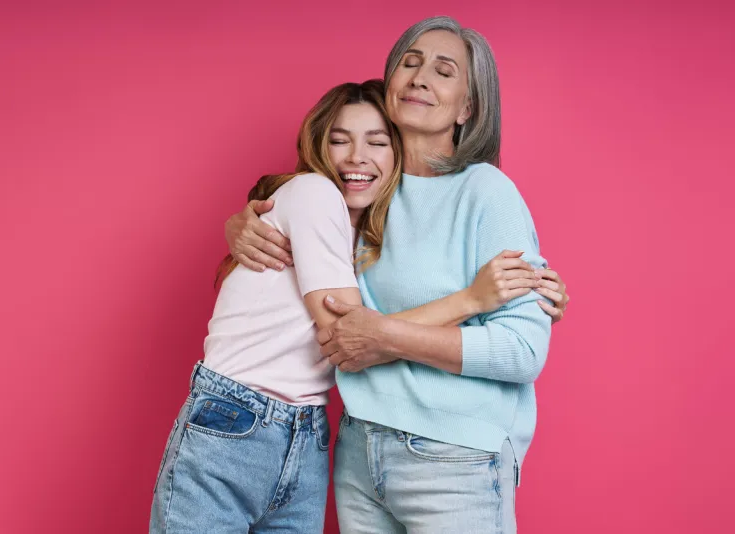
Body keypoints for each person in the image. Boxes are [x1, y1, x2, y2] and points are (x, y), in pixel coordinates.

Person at [150, 79, 546, 534]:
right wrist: (472, 300)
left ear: (399, 155)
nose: (356, 156)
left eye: (377, 142)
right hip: (234, 420)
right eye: (339, 140)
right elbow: (350, 335)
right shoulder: (315, 194)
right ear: (319, 145)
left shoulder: (368, 238)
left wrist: (535, 283)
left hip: (307, 433)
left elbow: (379, 325)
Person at [223, 16, 569, 533]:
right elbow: (295, 217)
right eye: (409, 62)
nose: (421, 76)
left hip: (457, 457)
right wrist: (242, 223)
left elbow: (522, 351)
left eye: (444, 70)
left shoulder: (487, 193)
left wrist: (385, 337)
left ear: (468, 109)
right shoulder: (359, 191)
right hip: (359, 453)